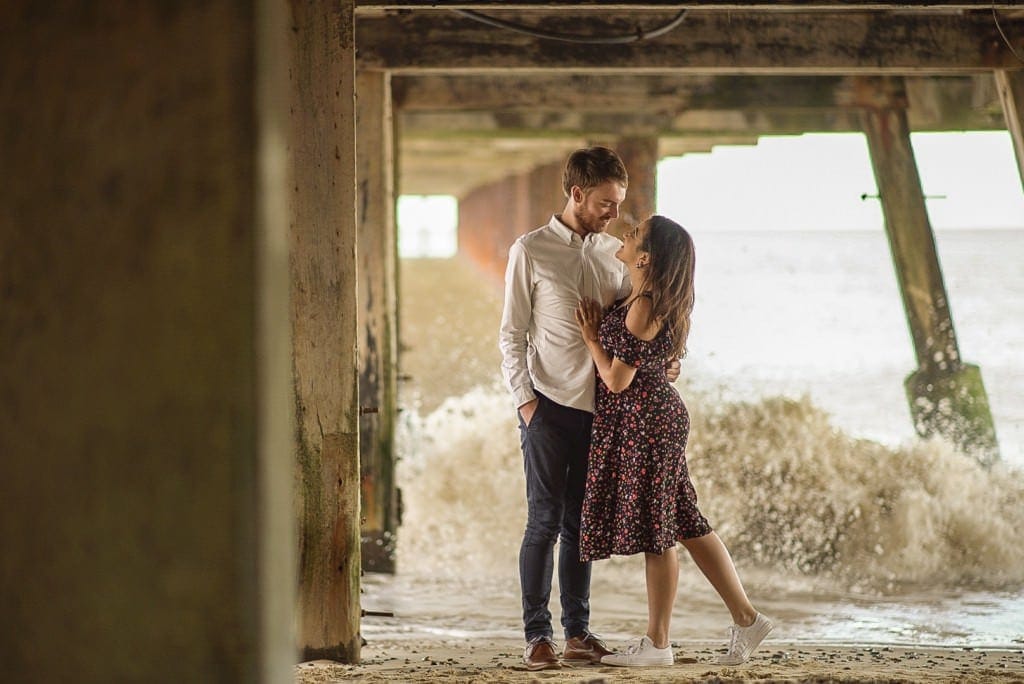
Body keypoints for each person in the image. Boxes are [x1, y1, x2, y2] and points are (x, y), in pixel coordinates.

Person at [498, 147, 680, 671]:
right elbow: (511, 335)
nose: (613, 213)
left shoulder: (611, 253)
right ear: (577, 194)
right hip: (547, 405)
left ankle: (577, 633)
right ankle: (538, 637)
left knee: (582, 523)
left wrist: (665, 359)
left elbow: (643, 312)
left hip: (605, 411)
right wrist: (525, 401)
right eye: (605, 203)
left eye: (618, 203)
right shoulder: (529, 251)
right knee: (544, 522)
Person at [574, 215, 773, 668]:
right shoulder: (647, 298)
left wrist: (590, 337)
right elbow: (650, 362)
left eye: (634, 234)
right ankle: (747, 618)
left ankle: (658, 643)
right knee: (686, 523)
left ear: (645, 256)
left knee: (659, 531)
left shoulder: (644, 304)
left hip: (647, 421)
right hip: (654, 418)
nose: (624, 233)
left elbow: (617, 380)